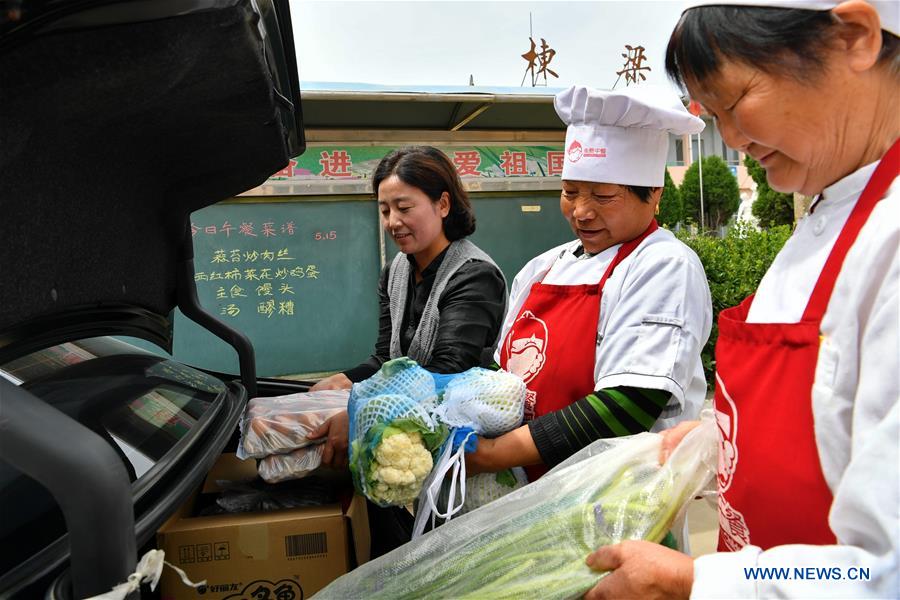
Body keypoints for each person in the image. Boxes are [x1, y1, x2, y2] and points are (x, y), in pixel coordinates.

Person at [584, 2, 899, 598]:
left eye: (734, 100)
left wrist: (694, 579)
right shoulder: (830, 208)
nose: (728, 137)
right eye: (711, 112)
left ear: (855, 38)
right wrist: (720, 437)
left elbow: (885, 570)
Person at [465, 84, 713, 482]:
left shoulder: (664, 265)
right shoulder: (542, 268)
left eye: (602, 195)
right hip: (527, 493)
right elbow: (500, 378)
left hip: (614, 496)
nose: (581, 211)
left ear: (653, 194)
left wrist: (493, 454)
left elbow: (627, 405)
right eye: (570, 192)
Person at [305, 146, 506, 555]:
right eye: (384, 211)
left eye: (404, 207)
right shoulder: (396, 270)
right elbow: (386, 356)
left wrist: (358, 412)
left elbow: (450, 370)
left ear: (443, 204)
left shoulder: (474, 275)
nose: (393, 222)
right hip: (413, 443)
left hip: (464, 453)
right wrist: (343, 380)